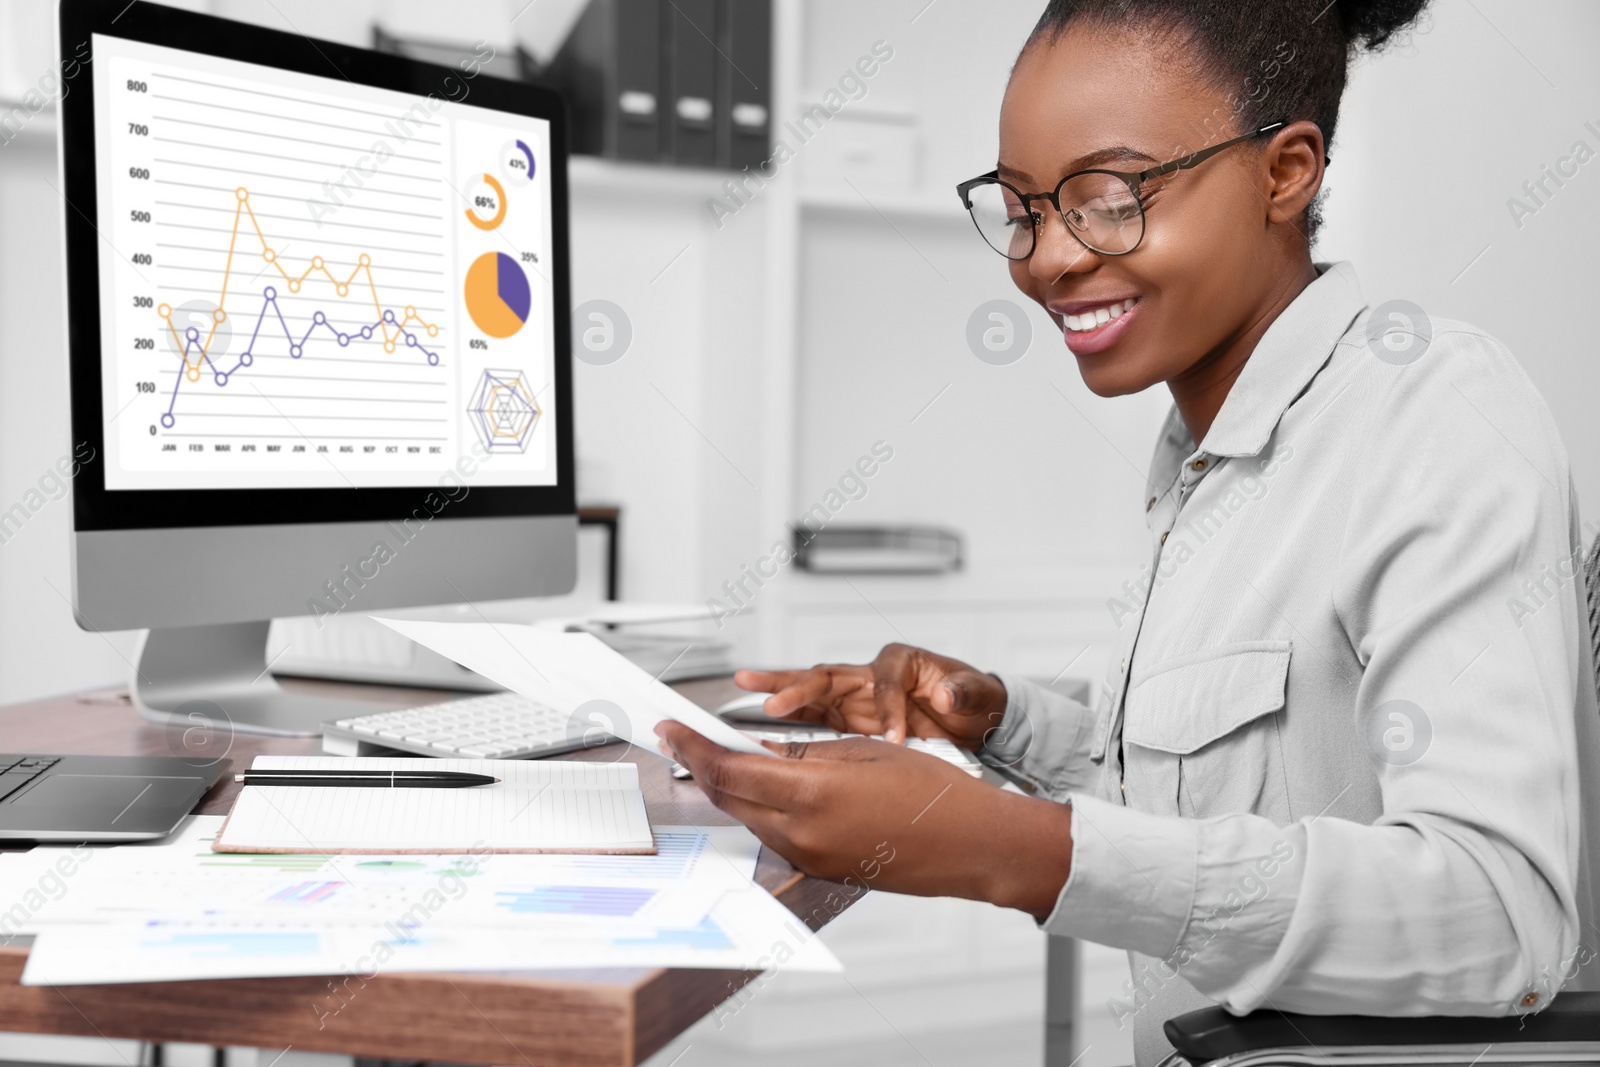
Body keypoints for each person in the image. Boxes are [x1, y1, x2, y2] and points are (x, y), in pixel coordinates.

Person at [654, 1, 1600, 1061]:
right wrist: (999, 720)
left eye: (1107, 199)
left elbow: (1497, 916)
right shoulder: (1198, 451)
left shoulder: (1433, 412)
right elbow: (1221, 815)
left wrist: (1015, 852)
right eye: (1020, 209)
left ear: (1285, 172)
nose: (1046, 259)